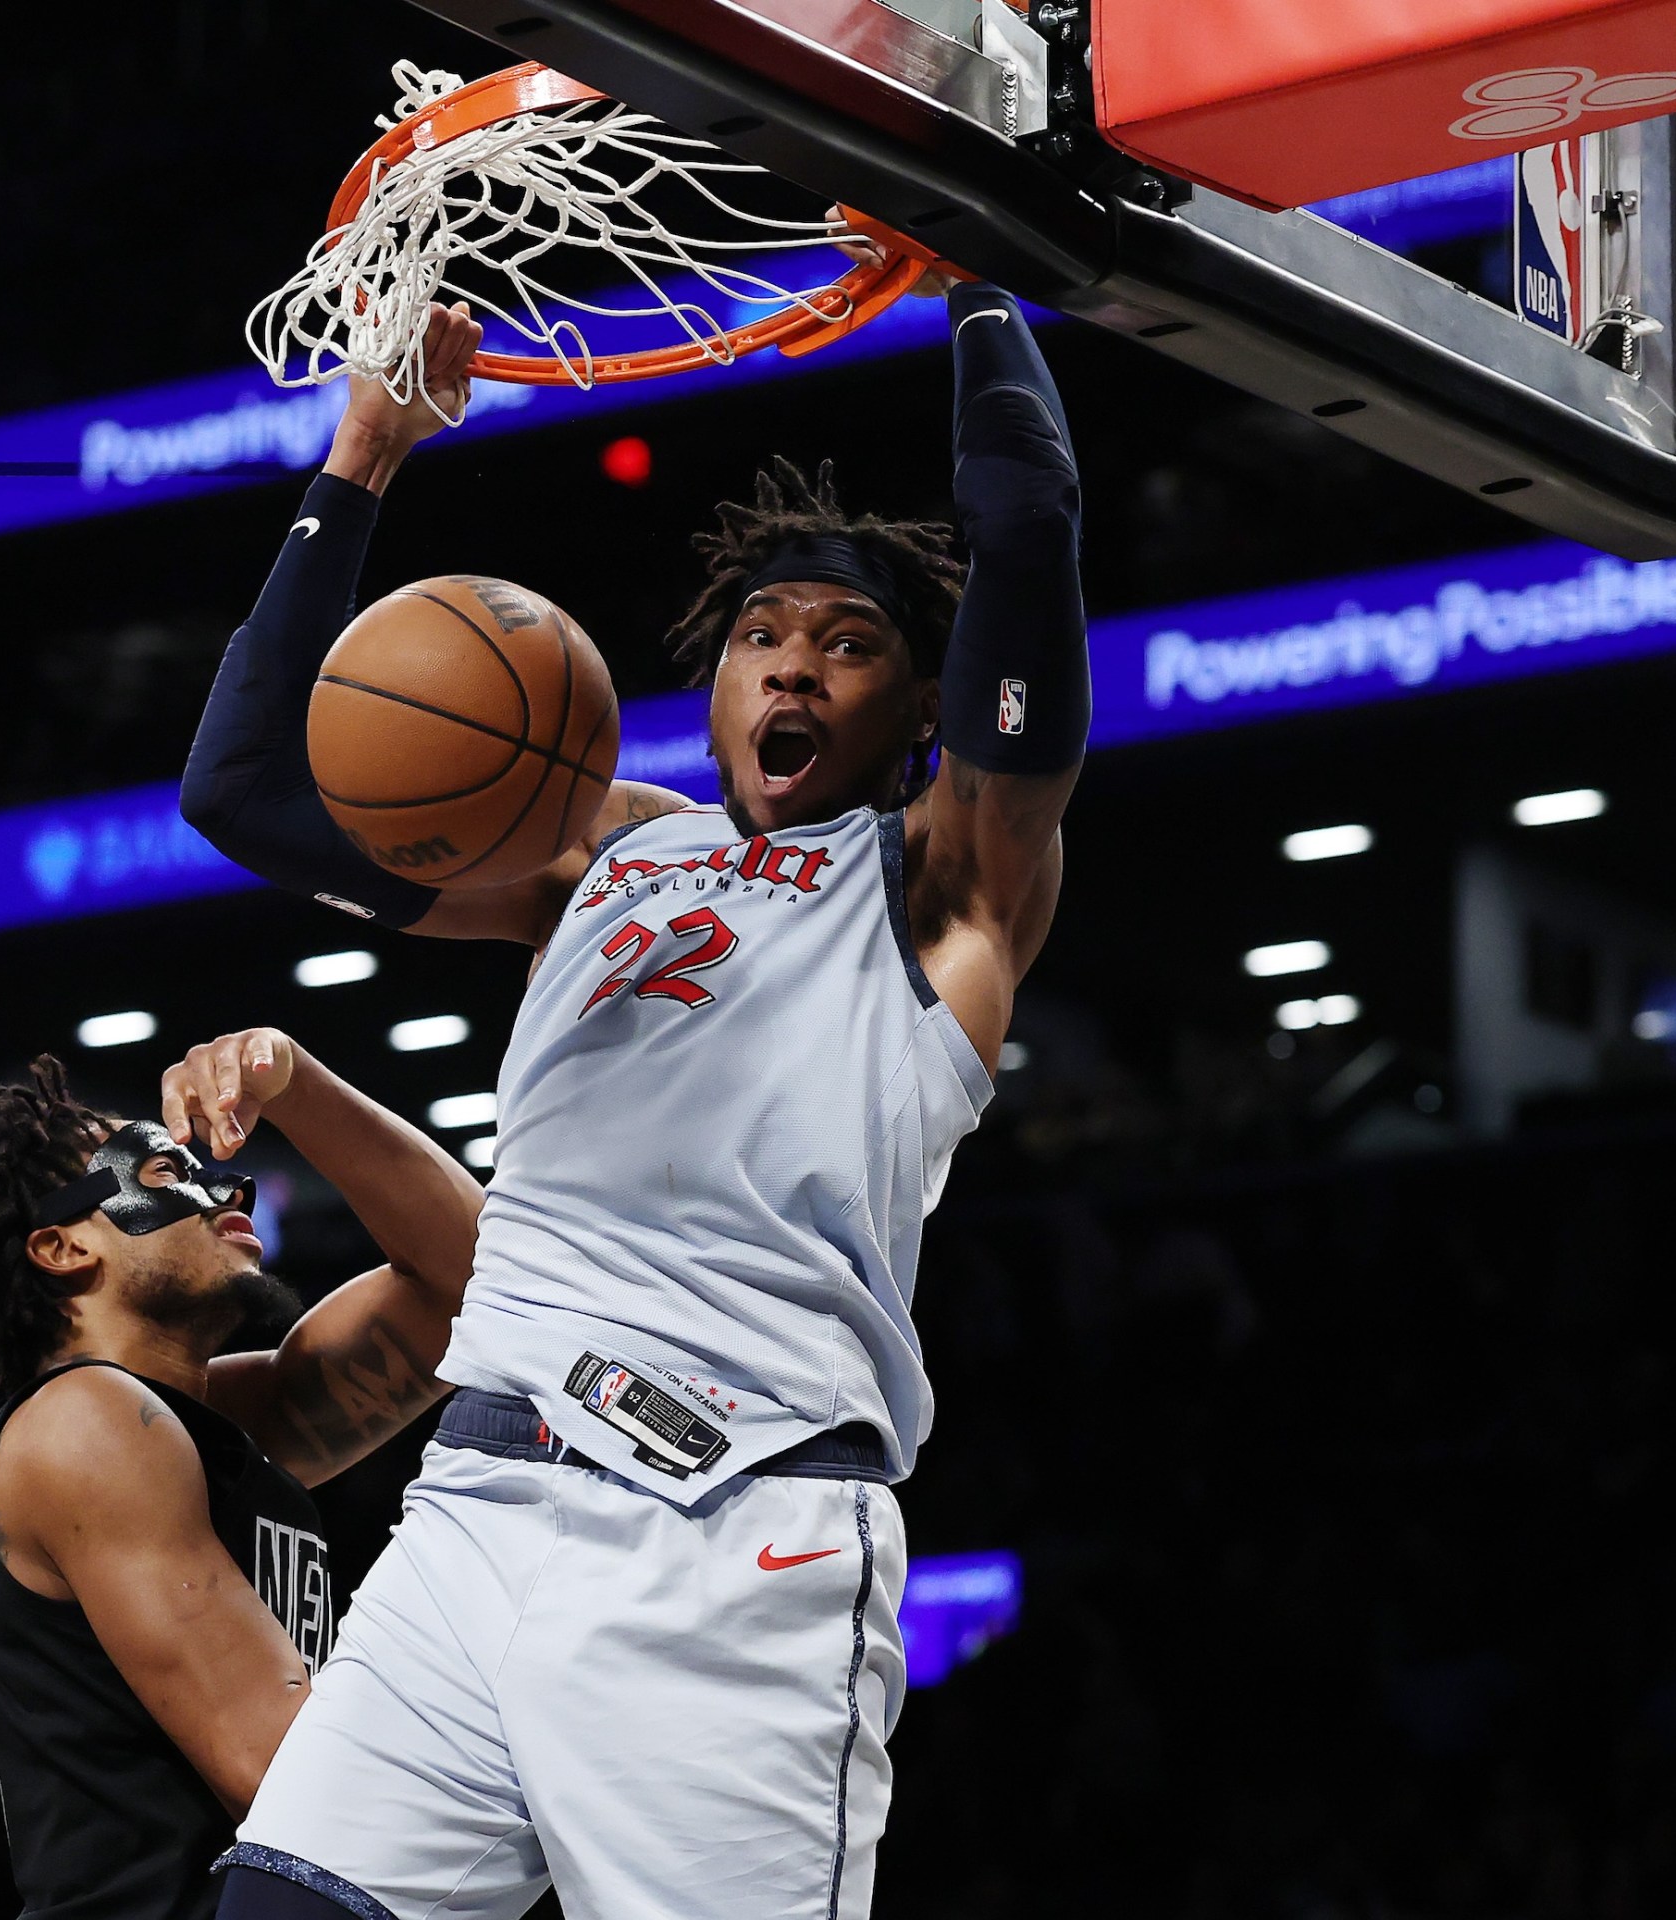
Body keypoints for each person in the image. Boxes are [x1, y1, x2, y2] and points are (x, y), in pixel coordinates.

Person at [178, 259, 1086, 1920]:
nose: (791, 668)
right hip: (481, 1500)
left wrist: (967, 279)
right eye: (759, 636)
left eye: (849, 644)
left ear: (922, 714)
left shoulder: (949, 889)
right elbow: (242, 792)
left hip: (730, 1539)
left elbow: (1024, 538)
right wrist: (367, 453)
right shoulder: (594, 853)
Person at [0, 1027, 485, 1920]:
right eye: (166, 1175)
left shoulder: (208, 1422)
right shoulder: (90, 1423)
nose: (225, 1183)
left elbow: (484, 1281)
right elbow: (278, 1768)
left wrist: (296, 1083)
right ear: (63, 1249)